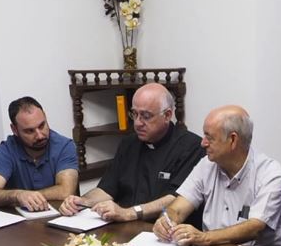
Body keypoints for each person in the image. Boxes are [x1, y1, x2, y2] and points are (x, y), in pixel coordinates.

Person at [59, 84, 204, 225]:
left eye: (146, 116)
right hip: (124, 226)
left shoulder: (191, 147)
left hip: (163, 230)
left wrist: (129, 213)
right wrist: (81, 202)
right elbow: (107, 189)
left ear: (167, 115)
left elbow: (176, 199)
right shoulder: (129, 143)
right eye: (134, 114)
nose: (137, 123)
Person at [152, 105, 281, 246]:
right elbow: (177, 209)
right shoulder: (206, 165)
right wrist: (166, 220)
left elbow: (255, 228)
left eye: (209, 137)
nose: (202, 143)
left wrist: (204, 238)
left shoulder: (270, 173)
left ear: (233, 140)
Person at [0, 97, 78, 212]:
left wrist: (29, 196)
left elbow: (65, 191)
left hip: (59, 218)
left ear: (45, 116)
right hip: (21, 224)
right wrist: (18, 195)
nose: (40, 135)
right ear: (15, 130)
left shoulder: (64, 146)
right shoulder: (8, 149)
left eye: (42, 126)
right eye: (29, 131)